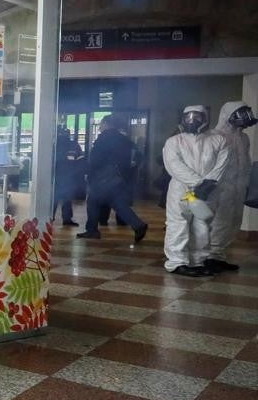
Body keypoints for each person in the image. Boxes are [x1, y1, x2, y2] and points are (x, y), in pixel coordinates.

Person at [164, 105, 230, 277]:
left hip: (208, 191)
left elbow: (221, 165)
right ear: (182, 118)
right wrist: (199, 183)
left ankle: (198, 261)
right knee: (177, 225)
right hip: (181, 190)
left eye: (197, 116)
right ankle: (177, 262)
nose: (192, 120)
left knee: (202, 227)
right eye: (188, 117)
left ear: (205, 118)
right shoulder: (174, 141)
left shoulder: (219, 140)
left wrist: (209, 184)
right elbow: (174, 165)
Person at [78, 115, 148, 243]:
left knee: (92, 202)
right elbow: (137, 155)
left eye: (101, 123)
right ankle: (138, 225)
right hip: (119, 178)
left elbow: (96, 160)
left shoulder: (104, 138)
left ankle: (92, 230)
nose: (100, 126)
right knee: (117, 203)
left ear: (106, 124)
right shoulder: (124, 139)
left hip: (102, 178)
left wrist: (89, 172)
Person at [205, 101, 256, 273]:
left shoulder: (244, 138)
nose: (244, 117)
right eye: (239, 113)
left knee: (235, 221)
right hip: (221, 187)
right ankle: (210, 256)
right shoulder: (214, 136)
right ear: (228, 115)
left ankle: (219, 256)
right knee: (220, 221)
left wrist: (247, 183)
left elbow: (246, 163)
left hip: (239, 186)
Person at [54, 126, 83, 226]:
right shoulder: (55, 144)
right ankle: (61, 219)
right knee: (58, 198)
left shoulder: (55, 144)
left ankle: (65, 219)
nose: (63, 136)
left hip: (65, 176)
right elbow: (80, 161)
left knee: (64, 198)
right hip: (60, 176)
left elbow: (80, 160)